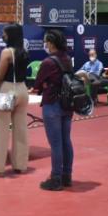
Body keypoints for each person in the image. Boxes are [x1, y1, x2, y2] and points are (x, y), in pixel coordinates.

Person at [0, 24, 30, 177]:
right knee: (21, 130)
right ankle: (21, 165)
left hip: (7, 90)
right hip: (23, 90)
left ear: (10, 35)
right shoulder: (24, 52)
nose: (2, 36)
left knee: (1, 130)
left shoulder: (7, 53)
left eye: (4, 33)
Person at [32, 29, 74, 191]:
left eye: (46, 42)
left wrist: (44, 85)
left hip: (52, 104)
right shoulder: (67, 59)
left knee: (55, 143)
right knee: (66, 141)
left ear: (51, 42)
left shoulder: (48, 62)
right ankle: (67, 176)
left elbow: (37, 84)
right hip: (67, 104)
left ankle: (55, 178)